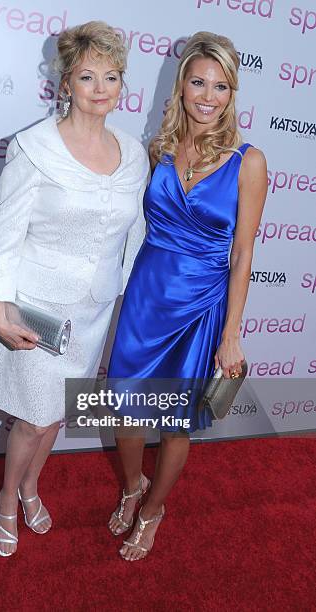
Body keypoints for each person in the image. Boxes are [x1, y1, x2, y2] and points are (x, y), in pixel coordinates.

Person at [0, 21, 149, 557]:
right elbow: (3, 233)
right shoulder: (35, 147)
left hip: (92, 311)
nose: (101, 87)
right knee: (32, 416)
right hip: (38, 307)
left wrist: (122, 300)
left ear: (123, 84)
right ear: (66, 82)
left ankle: (31, 486)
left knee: (56, 414)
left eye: (112, 76)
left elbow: (134, 234)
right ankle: (8, 498)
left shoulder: (133, 153)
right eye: (88, 75)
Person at [107, 31, 268, 561]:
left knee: (175, 425)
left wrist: (232, 335)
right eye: (198, 82)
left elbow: (242, 255)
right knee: (127, 412)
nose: (208, 95)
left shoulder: (249, 162)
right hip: (146, 297)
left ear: (232, 92)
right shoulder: (158, 147)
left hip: (201, 306)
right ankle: (133, 488)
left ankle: (154, 510)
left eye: (220, 86)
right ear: (181, 86)